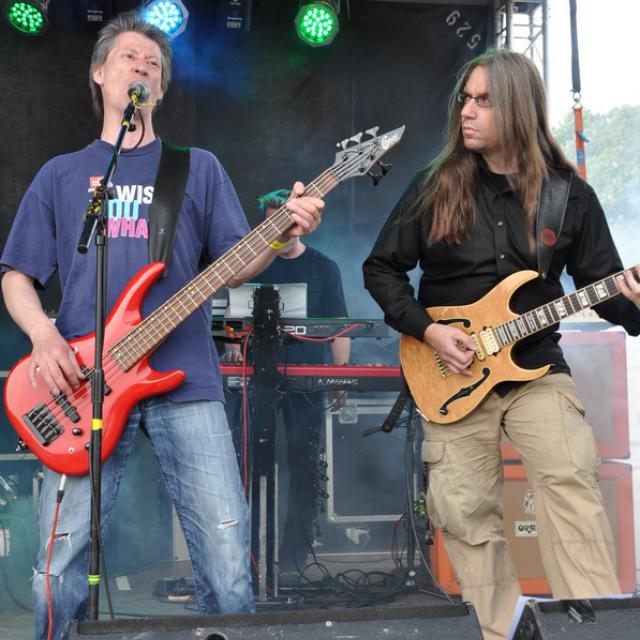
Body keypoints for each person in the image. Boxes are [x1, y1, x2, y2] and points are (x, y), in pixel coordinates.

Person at [0, 11, 324, 640]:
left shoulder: (196, 168)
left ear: (163, 89)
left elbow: (236, 265)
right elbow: (17, 275)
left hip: (186, 378)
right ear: (100, 74)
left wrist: (281, 237)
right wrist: (43, 335)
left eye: (153, 63)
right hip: (82, 385)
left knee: (226, 551)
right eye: (129, 57)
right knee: (60, 560)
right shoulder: (61, 174)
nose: (142, 66)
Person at [362, 49, 640, 640]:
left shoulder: (569, 196)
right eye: (465, 98)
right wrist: (429, 329)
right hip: (450, 372)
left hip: (536, 368)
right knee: (464, 511)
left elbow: (606, 291)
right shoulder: (433, 186)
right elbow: (382, 268)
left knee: (570, 473)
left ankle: (596, 624)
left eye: (483, 101)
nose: (466, 110)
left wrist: (635, 298)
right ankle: (509, 626)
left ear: (516, 107)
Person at [223, 188, 349, 572]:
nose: (281, 230)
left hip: (307, 379)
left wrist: (341, 375)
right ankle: (247, 558)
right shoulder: (250, 265)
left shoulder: (324, 267)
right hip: (254, 379)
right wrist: (232, 347)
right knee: (247, 462)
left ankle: (294, 560)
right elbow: (230, 319)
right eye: (273, 222)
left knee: (305, 463)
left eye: (287, 221)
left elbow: (340, 327)